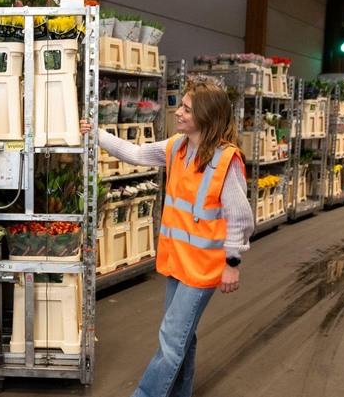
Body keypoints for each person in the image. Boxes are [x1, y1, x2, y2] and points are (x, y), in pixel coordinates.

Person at [81, 75, 254, 397]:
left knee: (171, 339)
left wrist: (232, 262)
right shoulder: (177, 146)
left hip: (202, 266)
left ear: (205, 116)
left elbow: (240, 217)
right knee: (182, 336)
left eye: (187, 109)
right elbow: (136, 153)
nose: (178, 112)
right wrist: (97, 134)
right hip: (178, 260)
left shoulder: (225, 160)